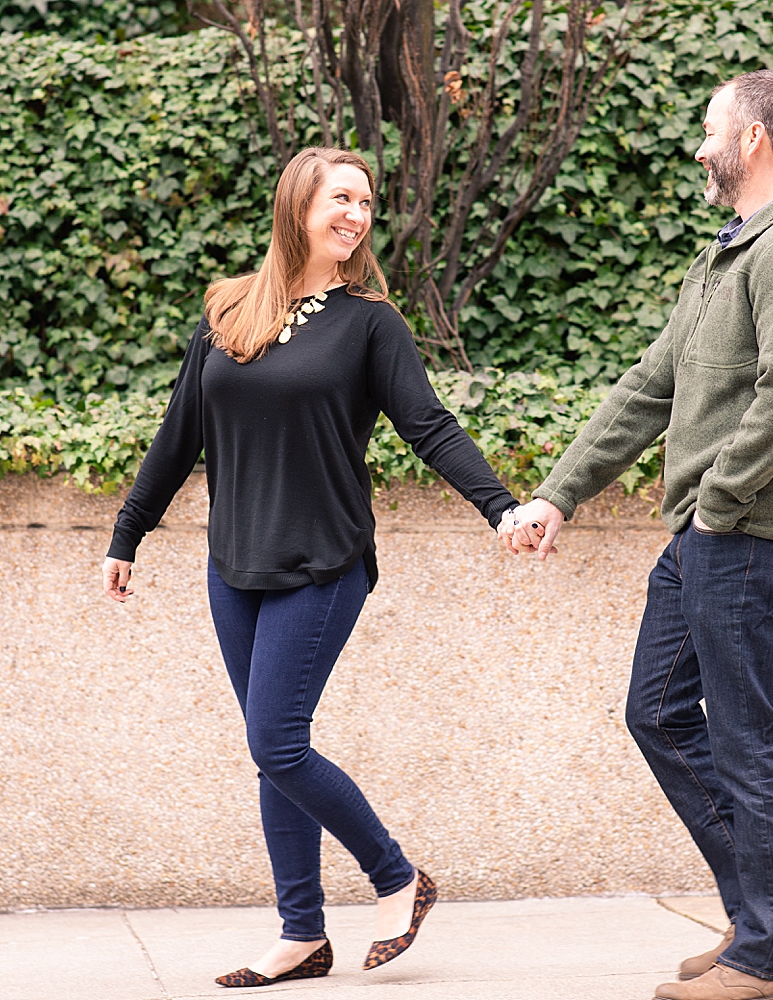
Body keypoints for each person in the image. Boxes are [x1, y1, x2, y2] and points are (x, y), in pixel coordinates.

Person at [102, 147, 519, 986]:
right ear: (298, 205)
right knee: (270, 750)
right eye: (341, 198)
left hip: (325, 559)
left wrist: (501, 506)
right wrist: (126, 533)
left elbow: (429, 426)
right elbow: (179, 436)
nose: (356, 215)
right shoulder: (229, 313)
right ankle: (302, 933)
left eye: (366, 202)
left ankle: (398, 877)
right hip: (235, 565)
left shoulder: (371, 322)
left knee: (277, 740)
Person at [504, 70, 773, 1000]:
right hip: (714, 533)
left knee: (748, 739)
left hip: (753, 534)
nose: (700, 147)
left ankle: (772, 961)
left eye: (710, 131)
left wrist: (718, 499)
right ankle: (769, 905)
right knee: (657, 711)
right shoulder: (726, 255)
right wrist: (558, 494)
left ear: (752, 142)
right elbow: (648, 386)